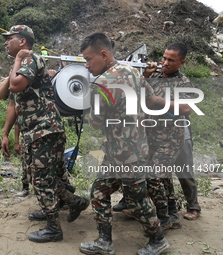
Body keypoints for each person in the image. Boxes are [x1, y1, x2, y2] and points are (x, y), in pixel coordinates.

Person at [79, 32, 169, 255]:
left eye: (89, 60)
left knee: (137, 200)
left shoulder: (102, 84)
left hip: (127, 155)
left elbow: (97, 123)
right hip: (128, 150)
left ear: (103, 54)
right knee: (99, 192)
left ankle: (158, 241)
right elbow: (149, 99)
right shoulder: (132, 71)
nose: (87, 66)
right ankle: (104, 242)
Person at [0, 25, 89, 243]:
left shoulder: (31, 60)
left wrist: (18, 62)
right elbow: (4, 94)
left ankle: (53, 228)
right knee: (38, 177)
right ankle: (72, 202)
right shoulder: (21, 64)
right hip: (36, 131)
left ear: (22, 41)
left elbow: (16, 85)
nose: (5, 42)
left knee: (42, 179)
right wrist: (5, 134)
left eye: (9, 38)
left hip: (44, 129)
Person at [142, 42, 195, 229]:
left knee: (153, 176)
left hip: (170, 139)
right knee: (163, 178)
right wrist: (145, 77)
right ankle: (171, 211)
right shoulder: (154, 75)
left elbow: (188, 108)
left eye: (171, 60)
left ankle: (163, 220)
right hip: (150, 136)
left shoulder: (183, 83)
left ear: (181, 62)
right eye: (164, 57)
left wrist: (158, 100)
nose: (165, 62)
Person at [174, 119, 201, 220]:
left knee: (185, 173)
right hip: (155, 137)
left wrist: (157, 101)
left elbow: (186, 109)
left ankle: (193, 206)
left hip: (181, 137)